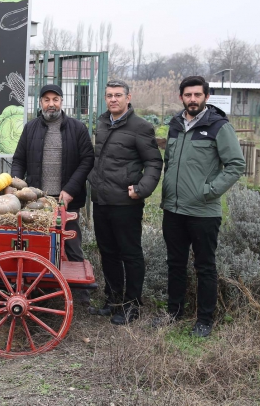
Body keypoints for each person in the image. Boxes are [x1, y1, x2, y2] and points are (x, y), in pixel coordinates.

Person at [158, 75, 245, 337]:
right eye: (188, 95)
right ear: (181, 97)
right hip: (173, 209)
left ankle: (205, 319)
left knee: (205, 266)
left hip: (203, 212)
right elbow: (170, 163)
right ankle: (174, 312)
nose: (192, 99)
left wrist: (209, 191)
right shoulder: (174, 125)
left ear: (206, 97)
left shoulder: (219, 126)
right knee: (175, 263)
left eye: (197, 94)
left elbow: (236, 165)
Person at [88, 79, 162, 325]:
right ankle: (113, 300)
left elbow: (154, 162)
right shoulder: (102, 123)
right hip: (101, 200)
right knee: (108, 253)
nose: (113, 99)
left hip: (126, 203)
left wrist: (142, 189)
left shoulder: (140, 127)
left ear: (128, 98)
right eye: (109, 95)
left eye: (118, 95)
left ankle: (132, 305)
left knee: (130, 254)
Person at [11, 84, 95, 267]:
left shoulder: (77, 128)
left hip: (67, 199)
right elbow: (19, 160)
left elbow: (88, 160)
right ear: (40, 102)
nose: (51, 104)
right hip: (37, 200)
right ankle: (43, 284)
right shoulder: (30, 128)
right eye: (47, 100)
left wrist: (71, 189)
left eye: (55, 100)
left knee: (72, 242)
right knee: (38, 243)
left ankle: (79, 291)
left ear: (61, 102)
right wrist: (16, 186)